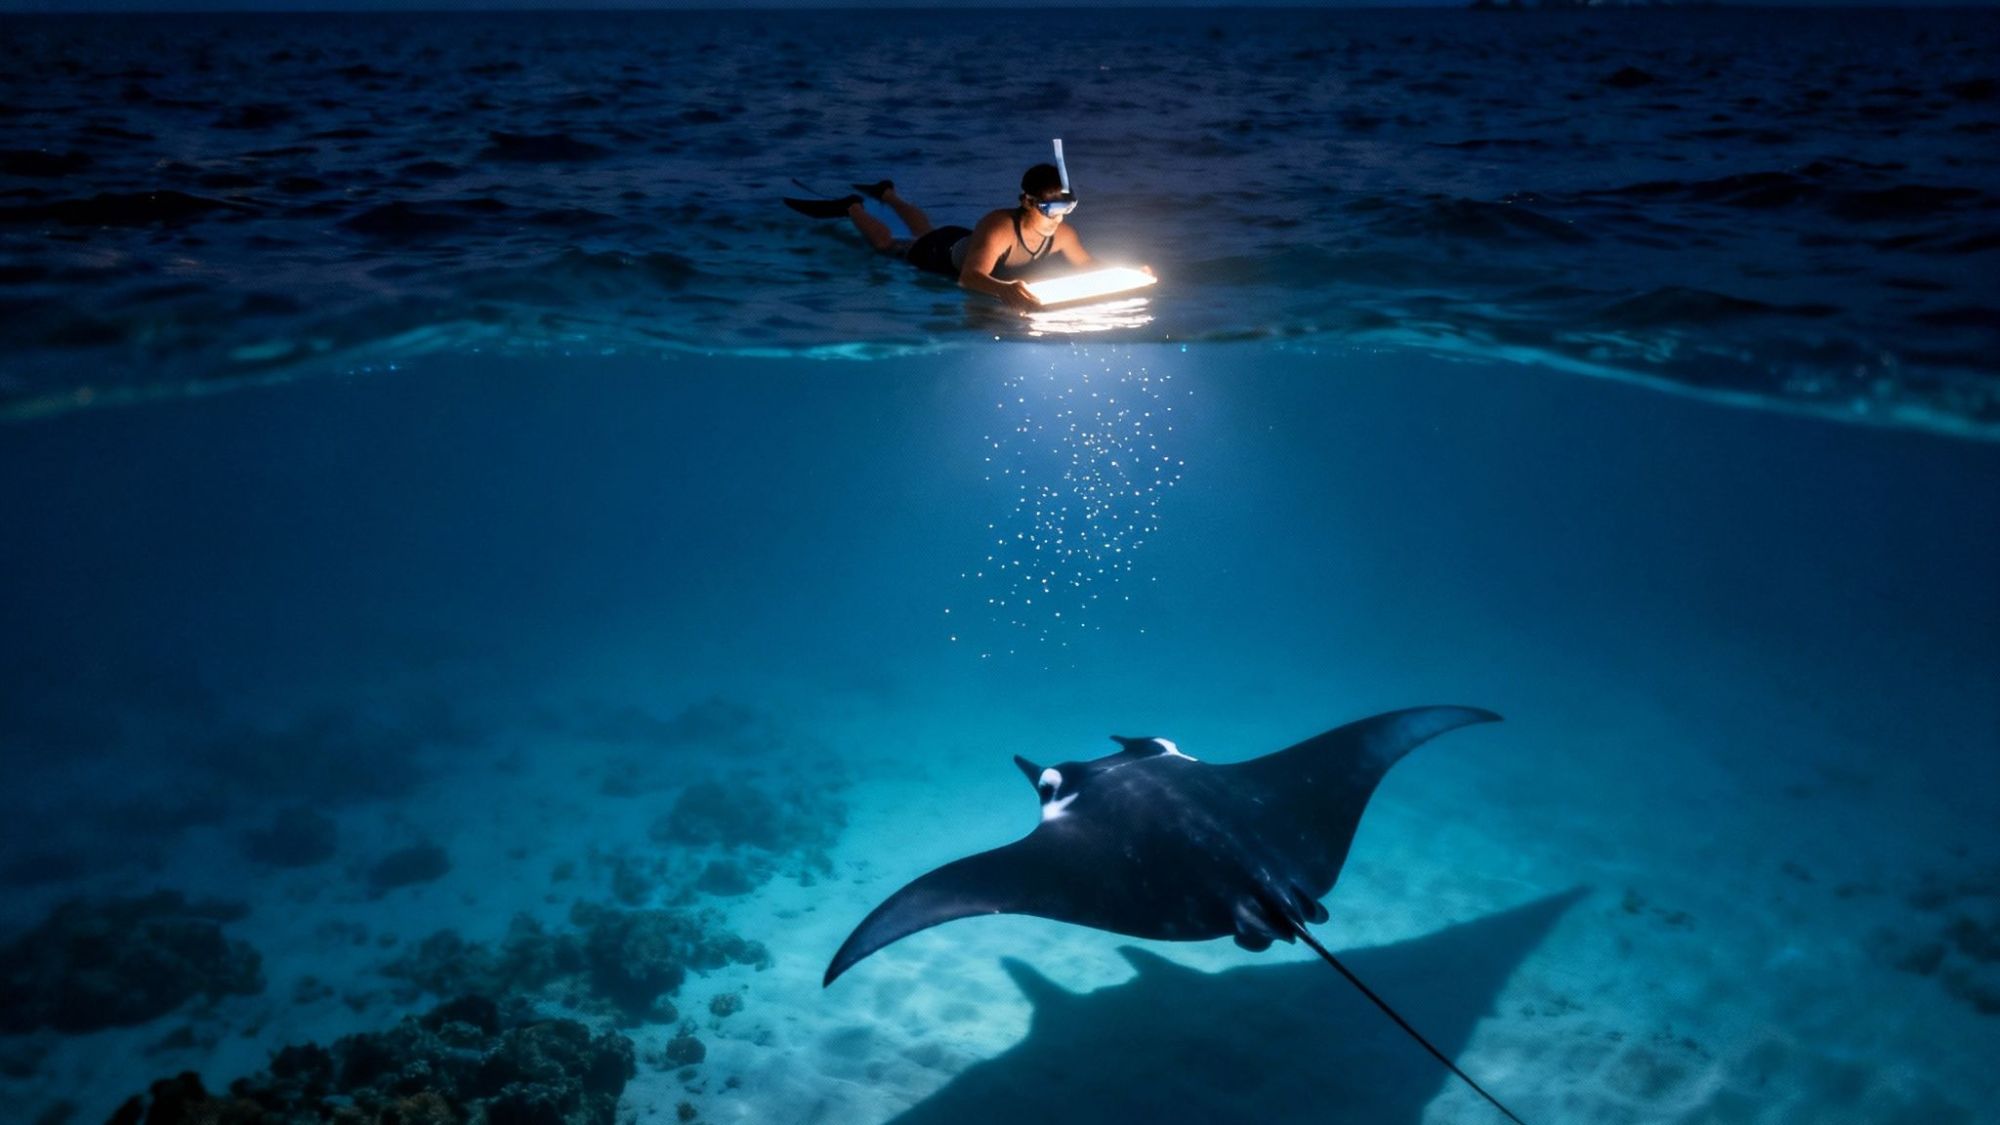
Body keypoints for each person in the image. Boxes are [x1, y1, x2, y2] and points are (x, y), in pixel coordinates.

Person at [784, 163, 1093, 310]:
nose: (1059, 217)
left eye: (1067, 207)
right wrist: (1005, 289)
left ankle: (887, 193)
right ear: (1027, 201)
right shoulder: (999, 226)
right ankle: (852, 206)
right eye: (1051, 209)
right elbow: (970, 278)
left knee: (924, 231)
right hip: (938, 253)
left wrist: (1137, 271)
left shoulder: (1063, 234)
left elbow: (1088, 267)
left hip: (960, 241)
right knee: (888, 245)